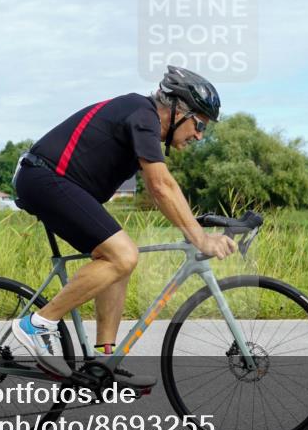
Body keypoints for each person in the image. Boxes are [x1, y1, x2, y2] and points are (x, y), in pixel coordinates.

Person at [12, 65, 237, 388]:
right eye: (199, 124)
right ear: (177, 110)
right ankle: (38, 324)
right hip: (44, 178)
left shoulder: (142, 122)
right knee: (122, 255)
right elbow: (161, 187)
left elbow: (165, 191)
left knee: (118, 261)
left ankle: (103, 362)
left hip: (55, 182)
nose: (200, 135)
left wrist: (197, 223)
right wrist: (200, 238)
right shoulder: (142, 114)